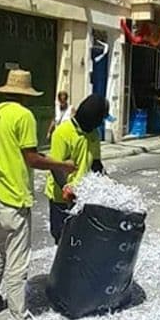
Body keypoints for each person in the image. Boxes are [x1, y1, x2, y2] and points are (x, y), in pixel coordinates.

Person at [0, 67, 77, 320]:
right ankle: (19, 315)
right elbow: (31, 158)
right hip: (14, 196)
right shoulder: (24, 116)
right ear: (26, 93)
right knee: (18, 260)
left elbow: (10, 151)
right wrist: (61, 165)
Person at [45, 96, 108, 243]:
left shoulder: (94, 134)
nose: (101, 123)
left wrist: (106, 184)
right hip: (61, 197)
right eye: (100, 120)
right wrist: (66, 188)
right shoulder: (62, 133)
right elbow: (55, 165)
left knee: (81, 239)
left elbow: (96, 163)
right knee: (63, 238)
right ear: (92, 118)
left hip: (83, 195)